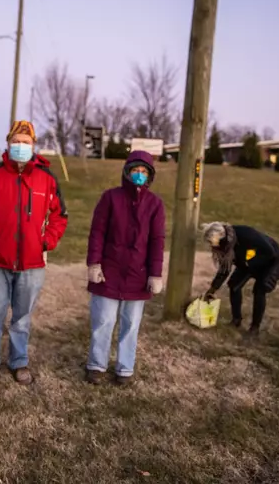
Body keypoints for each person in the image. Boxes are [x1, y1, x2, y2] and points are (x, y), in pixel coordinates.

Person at [0, 120, 68, 385]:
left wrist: (46, 242)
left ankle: (19, 361)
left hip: (33, 264)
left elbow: (60, 216)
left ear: (34, 146)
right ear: (8, 144)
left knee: (22, 318)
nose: (21, 146)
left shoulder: (47, 179)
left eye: (26, 142)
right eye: (17, 142)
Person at [84, 151, 165, 385]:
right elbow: (97, 232)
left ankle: (124, 369)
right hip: (108, 271)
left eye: (144, 172)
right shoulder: (110, 198)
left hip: (138, 275)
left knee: (131, 324)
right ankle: (96, 365)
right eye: (135, 170)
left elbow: (157, 240)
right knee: (103, 320)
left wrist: (155, 273)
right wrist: (94, 263)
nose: (139, 175)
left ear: (149, 176)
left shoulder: (155, 204)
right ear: (126, 172)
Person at [203, 222, 279, 337]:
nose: (212, 246)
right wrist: (212, 289)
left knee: (259, 290)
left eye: (212, 242)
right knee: (234, 284)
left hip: (272, 260)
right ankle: (236, 320)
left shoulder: (245, 234)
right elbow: (225, 268)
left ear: (219, 236)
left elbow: (269, 252)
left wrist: (249, 264)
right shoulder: (226, 245)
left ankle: (254, 328)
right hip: (249, 260)